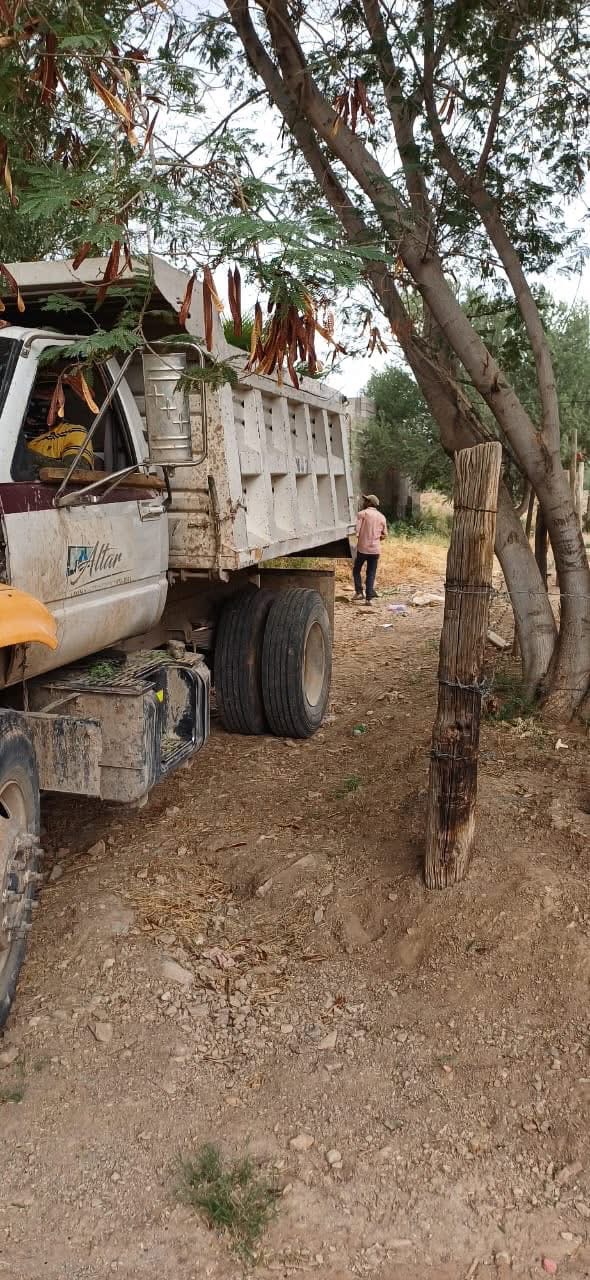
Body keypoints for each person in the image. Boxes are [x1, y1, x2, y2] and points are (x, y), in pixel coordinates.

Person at [353, 494, 387, 605]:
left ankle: (359, 592)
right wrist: (375, 540)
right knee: (371, 573)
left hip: (363, 549)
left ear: (369, 503)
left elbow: (356, 531)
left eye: (365, 500)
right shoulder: (382, 517)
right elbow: (384, 535)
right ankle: (369, 599)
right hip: (375, 551)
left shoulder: (362, 514)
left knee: (356, 570)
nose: (364, 502)